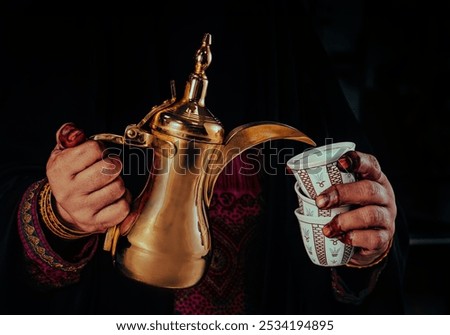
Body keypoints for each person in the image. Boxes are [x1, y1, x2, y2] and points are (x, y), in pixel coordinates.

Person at [0, 4, 408, 315]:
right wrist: (58, 215)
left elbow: (358, 193)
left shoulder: (278, 26)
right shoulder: (65, 26)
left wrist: (365, 237)